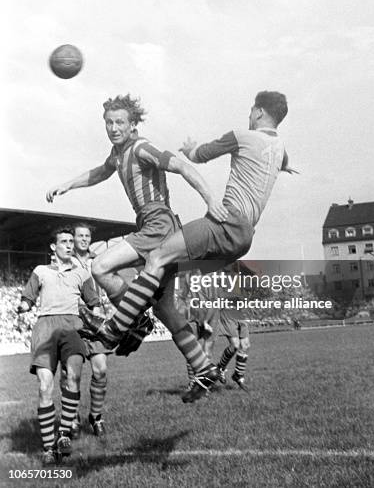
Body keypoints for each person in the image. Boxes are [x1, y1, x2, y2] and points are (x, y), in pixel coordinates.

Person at [85, 91, 296, 402]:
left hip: (225, 223)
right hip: (244, 239)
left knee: (155, 257)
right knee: (164, 303)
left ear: (258, 111)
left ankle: (118, 327)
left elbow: (199, 156)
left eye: (252, 111)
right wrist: (286, 167)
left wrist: (190, 149)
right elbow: (284, 160)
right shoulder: (279, 148)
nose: (249, 115)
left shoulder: (242, 136)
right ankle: (204, 368)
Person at [46, 94, 228, 381]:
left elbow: (181, 166)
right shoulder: (117, 154)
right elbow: (99, 173)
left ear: (132, 125)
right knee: (166, 310)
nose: (113, 128)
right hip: (152, 225)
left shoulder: (142, 148)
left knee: (100, 266)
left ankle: (137, 319)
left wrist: (211, 201)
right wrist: (68, 184)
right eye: (108, 122)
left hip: (158, 225)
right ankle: (205, 370)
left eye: (120, 122)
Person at [18, 227, 100, 465]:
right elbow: (28, 298)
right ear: (53, 247)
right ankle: (48, 448)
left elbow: (94, 304)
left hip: (72, 325)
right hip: (45, 328)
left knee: (73, 377)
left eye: (71, 241)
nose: (69, 245)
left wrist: (96, 323)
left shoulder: (82, 274)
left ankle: (63, 433)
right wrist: (23, 305)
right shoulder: (40, 271)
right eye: (63, 241)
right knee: (45, 386)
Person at [68, 222, 111, 438]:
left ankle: (96, 417)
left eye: (87, 236)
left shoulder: (98, 260)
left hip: (95, 321)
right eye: (80, 236)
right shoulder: (64, 260)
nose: (84, 239)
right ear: (73, 238)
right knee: (72, 374)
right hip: (73, 320)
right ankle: (72, 418)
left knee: (100, 369)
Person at [217, 311, 250, 391]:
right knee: (235, 345)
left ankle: (238, 375)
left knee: (245, 345)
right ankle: (220, 368)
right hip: (227, 313)